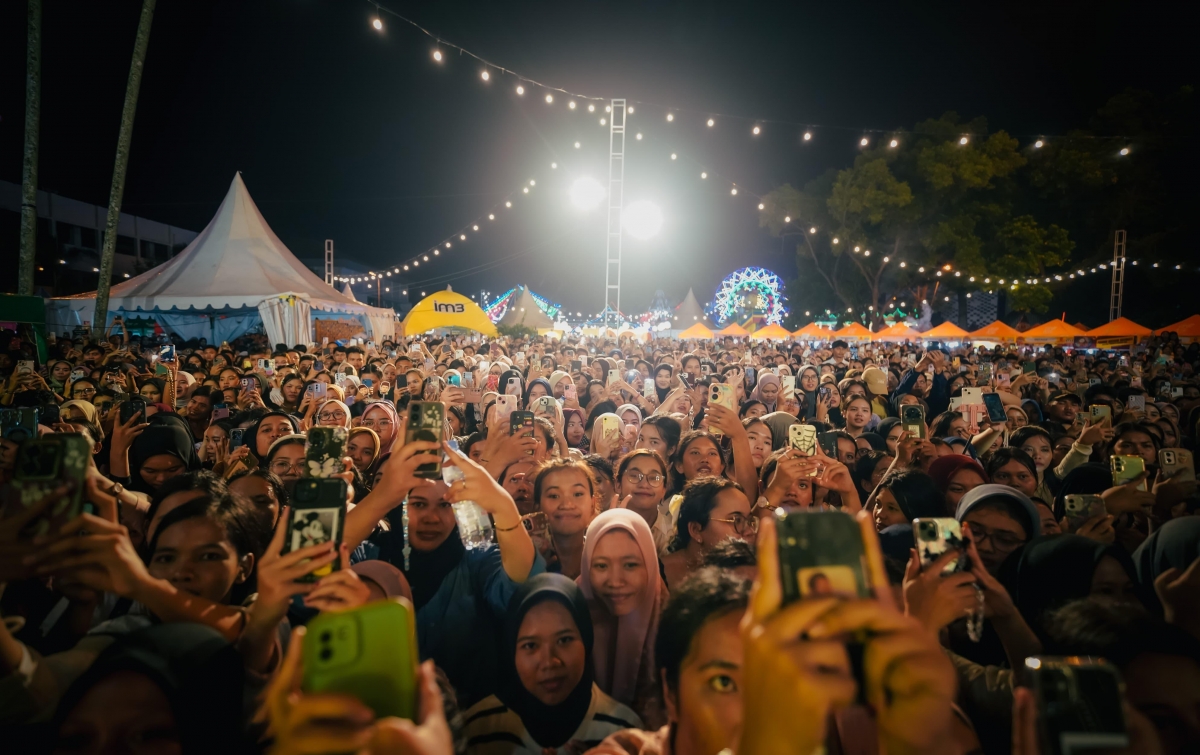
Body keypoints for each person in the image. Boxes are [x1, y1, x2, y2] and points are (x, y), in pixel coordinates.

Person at [344, 441, 542, 708]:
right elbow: (322, 565)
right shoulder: (369, 556)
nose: (431, 517)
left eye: (444, 506)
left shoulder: (473, 558)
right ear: (399, 507)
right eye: (418, 504)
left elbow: (518, 579)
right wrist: (382, 496)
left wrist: (503, 505)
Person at [462, 574, 642, 754]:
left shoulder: (623, 732)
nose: (549, 663)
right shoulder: (479, 729)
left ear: (586, 640)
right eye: (530, 645)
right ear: (511, 650)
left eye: (564, 640)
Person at [578, 509, 668, 725]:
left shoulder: (673, 623)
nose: (616, 580)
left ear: (650, 564)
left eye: (630, 565)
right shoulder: (568, 615)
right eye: (601, 566)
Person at [660, 477, 756, 589]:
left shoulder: (752, 571)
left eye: (750, 521)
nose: (749, 531)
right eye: (737, 520)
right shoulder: (655, 577)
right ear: (695, 530)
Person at [533, 458, 598, 579]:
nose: (567, 504)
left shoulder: (604, 556)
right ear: (537, 507)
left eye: (577, 494)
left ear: (593, 504)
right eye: (554, 495)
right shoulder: (525, 562)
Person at [615, 450, 673, 553]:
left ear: (664, 490)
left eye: (654, 478)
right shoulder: (602, 528)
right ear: (618, 485)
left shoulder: (673, 534)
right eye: (634, 476)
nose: (644, 484)